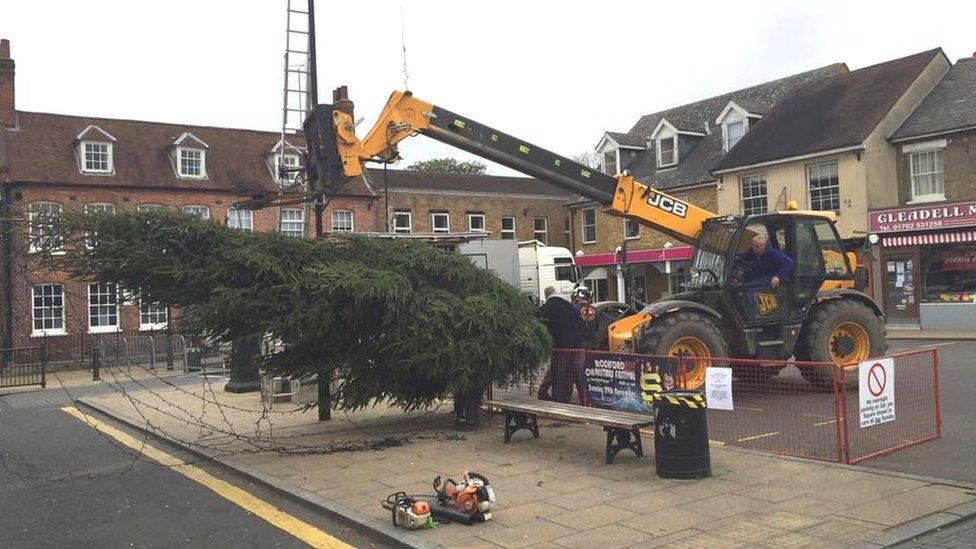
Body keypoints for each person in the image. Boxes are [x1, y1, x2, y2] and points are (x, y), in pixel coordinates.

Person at [537, 286, 583, 402]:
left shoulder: (546, 308)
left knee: (559, 376)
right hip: (577, 348)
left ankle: (559, 403)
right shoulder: (571, 307)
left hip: (560, 348)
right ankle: (579, 400)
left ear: (546, 296)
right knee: (572, 376)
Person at [737, 235, 794, 318]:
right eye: (753, 246)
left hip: (770, 277)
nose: (754, 248)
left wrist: (778, 276)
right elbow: (745, 257)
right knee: (741, 284)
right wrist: (736, 256)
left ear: (764, 247)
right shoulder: (754, 252)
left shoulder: (773, 254)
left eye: (757, 246)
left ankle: (752, 316)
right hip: (760, 275)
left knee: (751, 289)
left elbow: (788, 263)